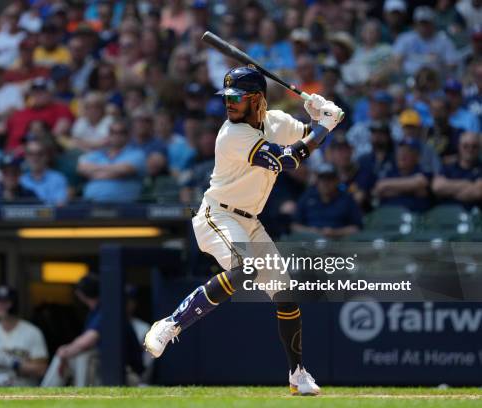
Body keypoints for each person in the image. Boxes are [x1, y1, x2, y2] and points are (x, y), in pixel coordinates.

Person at [143, 66, 343, 396]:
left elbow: (307, 135)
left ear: (257, 100)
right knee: (245, 268)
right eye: (228, 98)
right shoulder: (231, 135)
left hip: (250, 221)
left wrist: (320, 115)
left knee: (284, 293)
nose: (229, 104)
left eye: (237, 97)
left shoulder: (277, 121)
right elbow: (288, 161)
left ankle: (297, 374)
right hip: (216, 215)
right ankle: (170, 324)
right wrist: (324, 126)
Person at [41, 275, 144, 387]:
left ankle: (82, 394)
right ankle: (45, 392)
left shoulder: (108, 308)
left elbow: (87, 341)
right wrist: (65, 352)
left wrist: (65, 351)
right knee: (72, 354)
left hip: (128, 373)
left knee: (83, 355)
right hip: (109, 368)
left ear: (81, 294)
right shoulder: (95, 311)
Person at [0, 285, 49, 386]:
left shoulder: (32, 332)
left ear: (14, 304)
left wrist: (14, 364)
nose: (0, 305)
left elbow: (42, 370)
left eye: (5, 302)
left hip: (26, 392)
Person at [77, 118, 146, 203]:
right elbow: (81, 168)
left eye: (121, 132)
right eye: (112, 132)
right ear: (108, 135)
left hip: (124, 208)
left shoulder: (137, 154)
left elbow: (125, 169)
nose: (116, 135)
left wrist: (95, 173)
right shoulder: (98, 153)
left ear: (129, 135)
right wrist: (115, 172)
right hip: (90, 205)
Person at [291, 163, 362, 239]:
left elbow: (357, 228)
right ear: (317, 181)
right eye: (322, 179)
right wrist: (310, 231)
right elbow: (294, 226)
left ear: (337, 180)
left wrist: (335, 232)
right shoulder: (307, 197)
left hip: (339, 243)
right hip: (310, 242)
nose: (325, 183)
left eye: (329, 179)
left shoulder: (346, 199)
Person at [372, 138, 433, 213]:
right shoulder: (390, 173)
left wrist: (387, 186)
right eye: (400, 151)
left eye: (408, 151)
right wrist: (411, 190)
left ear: (417, 156)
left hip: (415, 219)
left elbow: (420, 183)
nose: (402, 154)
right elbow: (378, 189)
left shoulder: (423, 171)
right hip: (388, 218)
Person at [432, 131, 482, 209]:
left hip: (473, 217)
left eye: (474, 146)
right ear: (459, 146)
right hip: (445, 215)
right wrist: (467, 183)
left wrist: (448, 192)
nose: (470, 149)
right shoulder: (447, 166)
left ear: (479, 148)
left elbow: (478, 192)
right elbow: (437, 187)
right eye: (465, 146)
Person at [20, 139, 69, 206]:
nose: (35, 157)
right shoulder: (21, 180)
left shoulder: (58, 179)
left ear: (47, 156)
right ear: (26, 157)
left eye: (40, 153)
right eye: (30, 154)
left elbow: (59, 206)